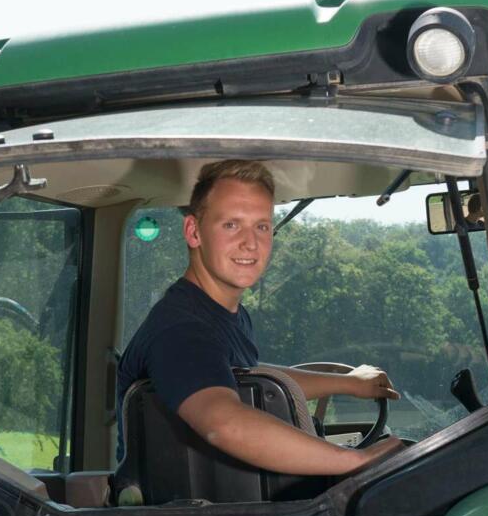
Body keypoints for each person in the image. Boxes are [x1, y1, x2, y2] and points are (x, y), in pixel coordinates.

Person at [117, 160, 406, 475]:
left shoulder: (220, 313)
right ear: (193, 231)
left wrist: (347, 384)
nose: (251, 243)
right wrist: (354, 461)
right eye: (231, 224)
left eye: (262, 226)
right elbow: (224, 422)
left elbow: (241, 376)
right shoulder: (182, 330)